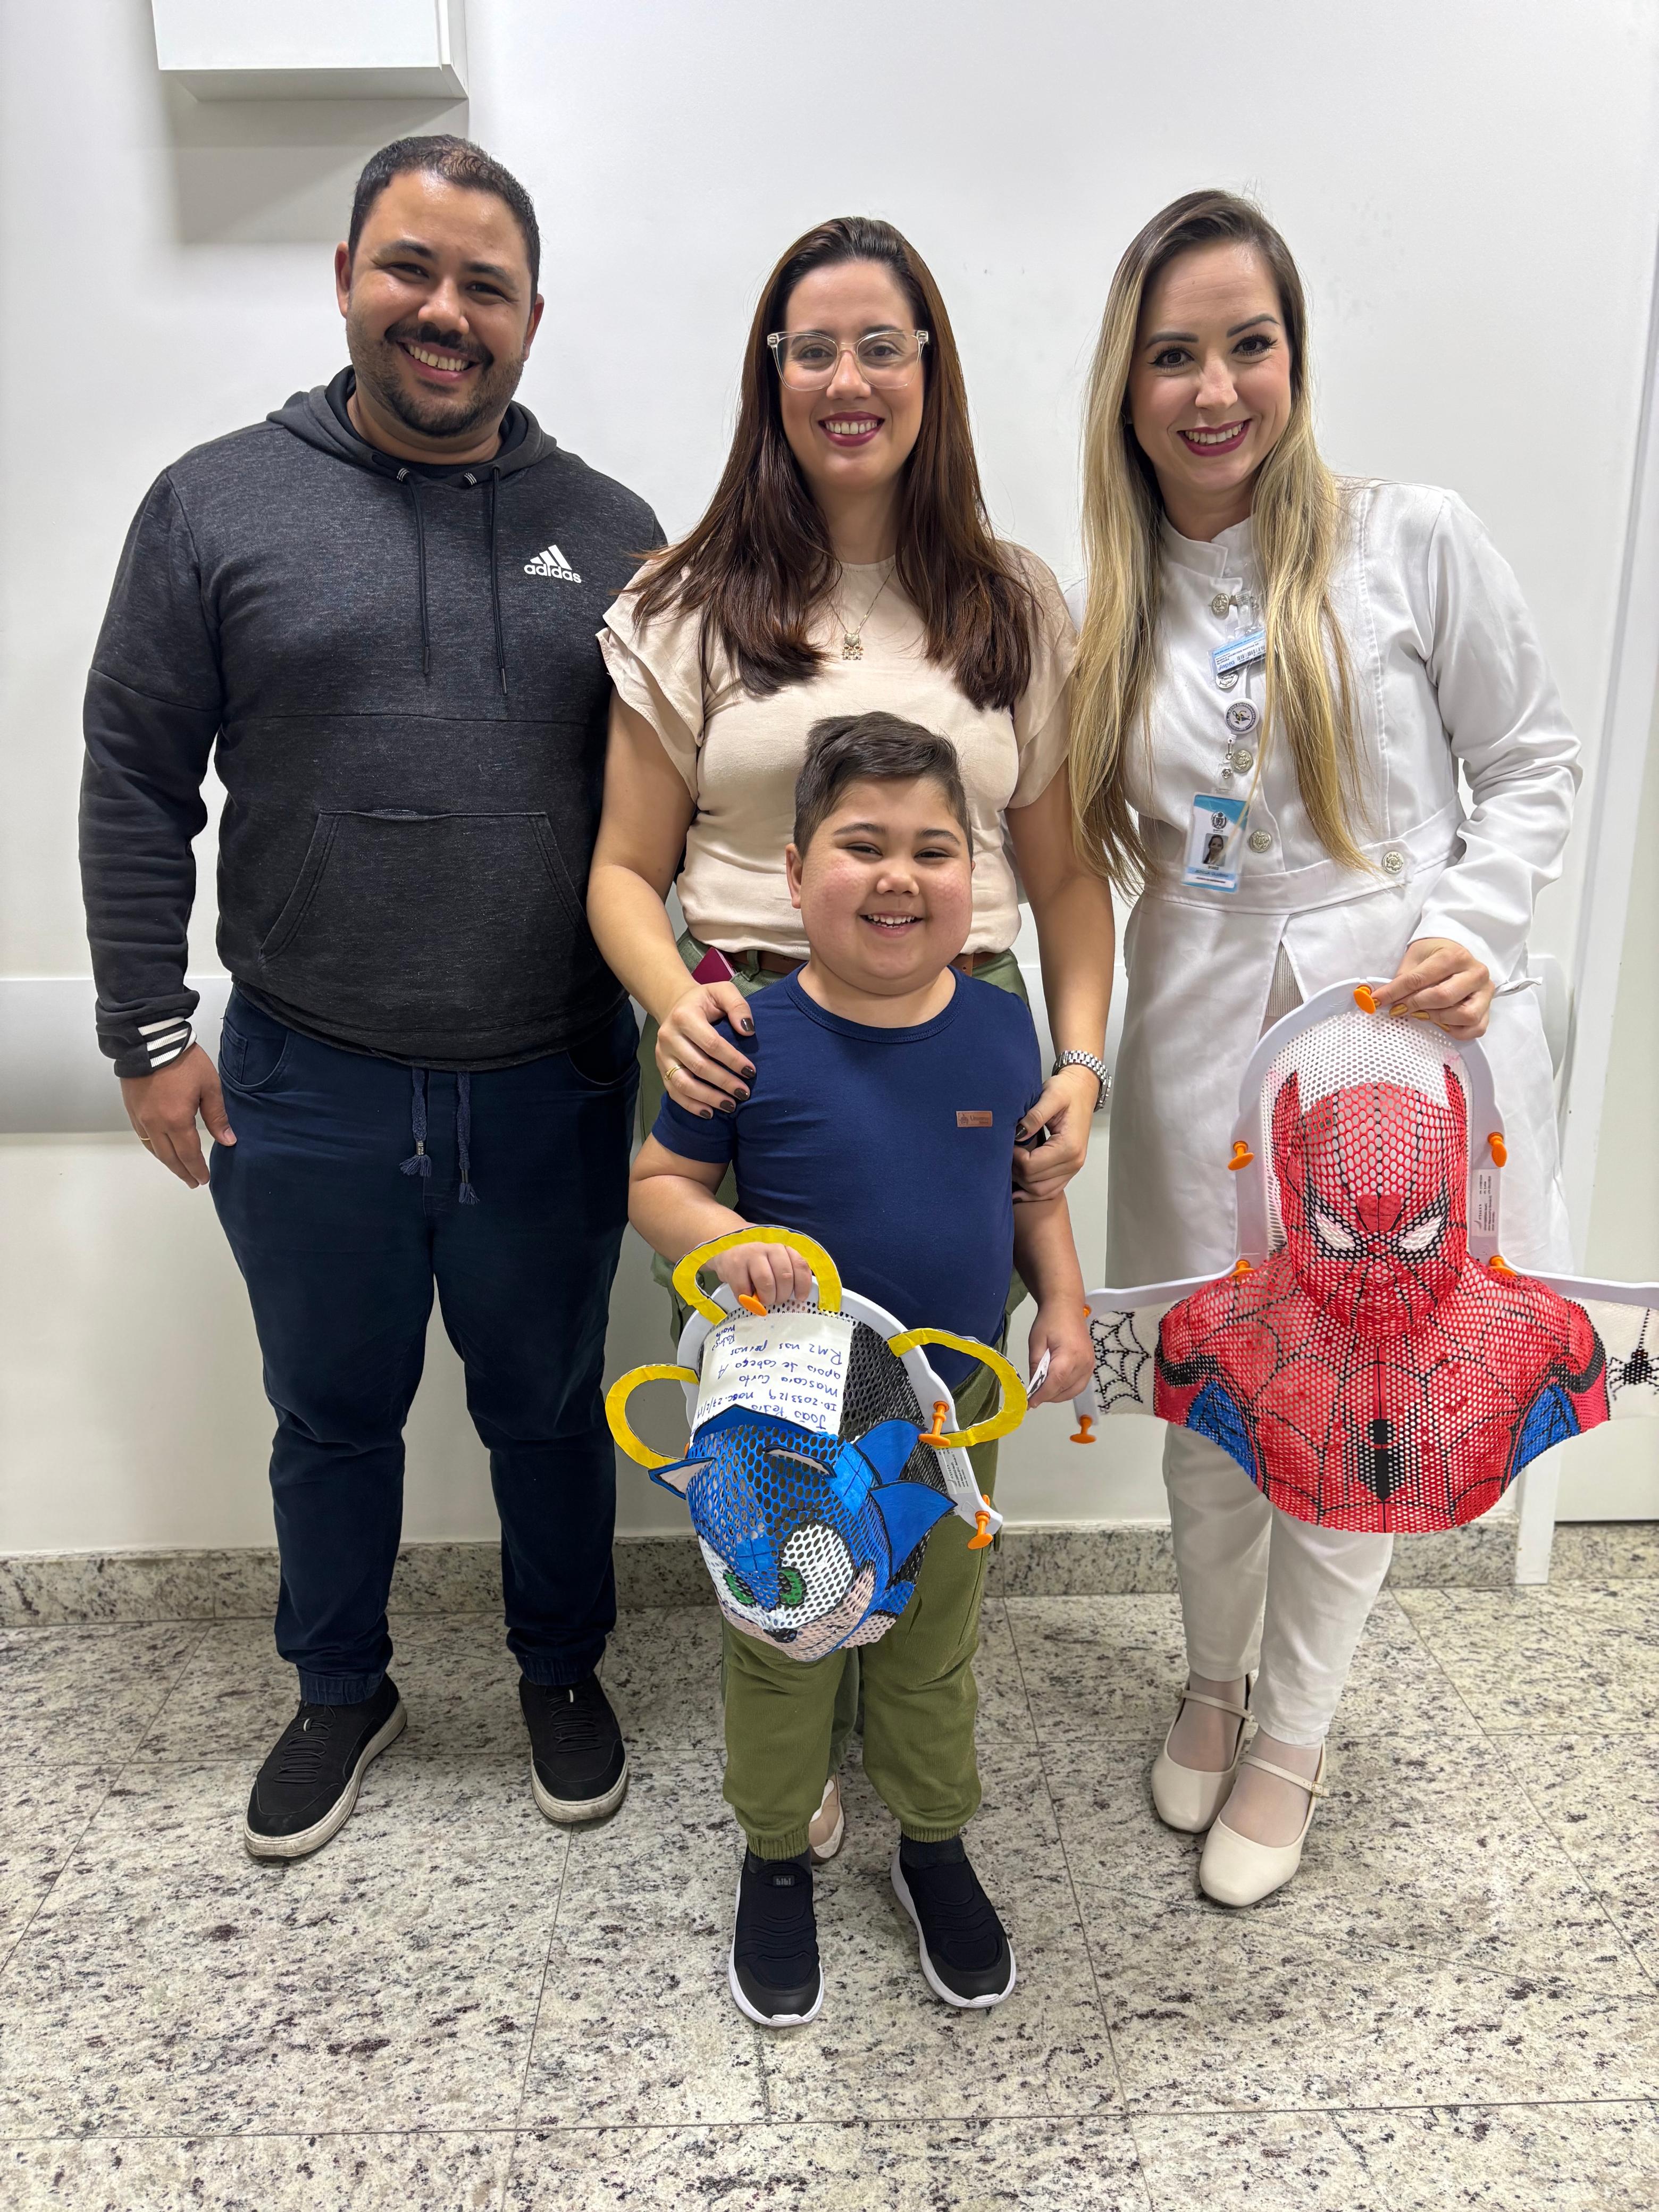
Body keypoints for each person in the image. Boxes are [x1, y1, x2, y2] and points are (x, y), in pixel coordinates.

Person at [80, 137, 660, 1861]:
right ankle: (341, 1687)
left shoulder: (615, 535)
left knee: (547, 1410)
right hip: (307, 1080)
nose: (444, 311)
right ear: (347, 277)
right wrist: (146, 1034)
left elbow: (674, 814)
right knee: (328, 1416)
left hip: (551, 1080)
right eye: (412, 267)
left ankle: (561, 1667)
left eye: (487, 285)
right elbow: (134, 779)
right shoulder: (213, 506)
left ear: (533, 316)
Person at [1071, 189, 1581, 1906]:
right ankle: (1213, 1683)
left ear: (1294, 355)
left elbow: (1533, 760)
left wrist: (1475, 928)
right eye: (1174, 356)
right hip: (1198, 1025)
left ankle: (1291, 1736)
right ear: (1127, 384)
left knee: (1363, 1396)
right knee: (1219, 1396)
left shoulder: (1409, 540)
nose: (1215, 390)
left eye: (1250, 344)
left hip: (1394, 1026)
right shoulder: (1114, 606)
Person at [588, 213, 1112, 1859]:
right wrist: (678, 1005)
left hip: (960, 1037)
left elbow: (1065, 876)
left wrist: (1078, 1061)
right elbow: (620, 869)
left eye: (882, 344)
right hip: (747, 1044)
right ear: (771, 373)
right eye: (811, 347)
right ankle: (790, 1709)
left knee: (931, 1413)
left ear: (930, 369)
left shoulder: (1011, 603)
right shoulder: (688, 600)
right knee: (775, 1411)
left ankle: (913, 1714)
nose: (847, 378)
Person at [629, 714, 1095, 2024]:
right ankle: (776, 1853)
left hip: (951, 1420)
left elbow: (1031, 1192)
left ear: (977, 878)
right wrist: (722, 1242)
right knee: (786, 1645)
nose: (900, 876)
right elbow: (658, 1185)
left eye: (934, 850)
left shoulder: (1004, 1031)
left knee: (932, 1646)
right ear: (793, 873)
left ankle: (932, 1841)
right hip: (786, 1429)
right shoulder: (742, 1036)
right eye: (862, 845)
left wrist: (1063, 1300)